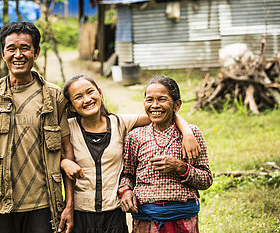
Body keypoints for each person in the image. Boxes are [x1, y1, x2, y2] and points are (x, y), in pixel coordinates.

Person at [0, 21, 74, 233]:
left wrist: (69, 206)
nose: (18, 54)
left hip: (43, 206)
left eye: (25, 48)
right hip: (0, 206)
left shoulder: (53, 97)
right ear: (2, 53)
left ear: (36, 53)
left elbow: (66, 152)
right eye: (11, 49)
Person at [60, 74, 200, 233]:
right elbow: (48, 154)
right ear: (71, 106)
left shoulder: (120, 123)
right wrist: (64, 162)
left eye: (90, 92)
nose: (86, 99)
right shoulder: (67, 128)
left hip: (114, 214)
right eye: (78, 97)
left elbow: (158, 113)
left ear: (100, 93)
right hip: (81, 214)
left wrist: (187, 132)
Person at [119, 75, 213, 233]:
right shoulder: (135, 136)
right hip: (146, 220)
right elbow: (127, 175)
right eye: (149, 100)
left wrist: (181, 168)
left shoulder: (191, 135)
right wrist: (126, 191)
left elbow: (206, 180)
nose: (155, 105)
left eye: (162, 99)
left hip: (183, 219)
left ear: (177, 105)